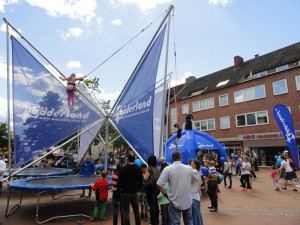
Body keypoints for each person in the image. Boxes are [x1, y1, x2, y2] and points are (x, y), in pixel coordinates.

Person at [157, 151, 201, 225]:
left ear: (172, 158)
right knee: (189, 222)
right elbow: (198, 177)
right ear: (180, 158)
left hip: (174, 200)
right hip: (187, 200)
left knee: (175, 223)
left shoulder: (168, 169)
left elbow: (159, 185)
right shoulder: (189, 168)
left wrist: (166, 196)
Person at [118, 153, 143, 225]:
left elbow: (120, 181)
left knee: (126, 211)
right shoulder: (138, 169)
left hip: (125, 192)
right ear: (134, 159)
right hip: (135, 192)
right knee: (136, 211)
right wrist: (138, 188)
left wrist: (120, 190)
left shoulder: (123, 169)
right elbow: (141, 180)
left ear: (127, 159)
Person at [144, 155, 160, 225]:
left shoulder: (148, 168)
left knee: (152, 205)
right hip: (157, 188)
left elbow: (146, 178)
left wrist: (143, 176)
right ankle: (156, 219)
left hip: (150, 188)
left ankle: (153, 221)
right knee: (156, 204)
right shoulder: (158, 168)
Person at [189, 159, 204, 225]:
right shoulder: (197, 172)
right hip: (196, 196)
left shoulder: (194, 172)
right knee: (197, 214)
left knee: (194, 216)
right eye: (191, 164)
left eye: (192, 164)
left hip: (193, 196)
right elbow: (200, 184)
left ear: (196, 165)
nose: (191, 165)